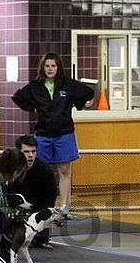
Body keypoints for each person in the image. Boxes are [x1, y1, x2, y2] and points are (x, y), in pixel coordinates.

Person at [12, 52, 94, 217]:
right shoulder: (35, 86)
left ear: (58, 68)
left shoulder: (68, 85)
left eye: (53, 66)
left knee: (64, 170)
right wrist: (34, 108)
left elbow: (88, 94)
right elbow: (18, 98)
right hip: (42, 134)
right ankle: (39, 207)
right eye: (47, 66)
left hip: (64, 133)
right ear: (43, 67)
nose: (50, 69)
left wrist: (80, 105)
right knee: (38, 170)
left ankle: (64, 208)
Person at [9, 134, 57, 249]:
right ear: (18, 152)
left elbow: (48, 201)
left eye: (33, 151)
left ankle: (38, 238)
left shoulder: (46, 172)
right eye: (26, 152)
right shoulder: (9, 169)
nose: (30, 155)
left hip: (37, 215)